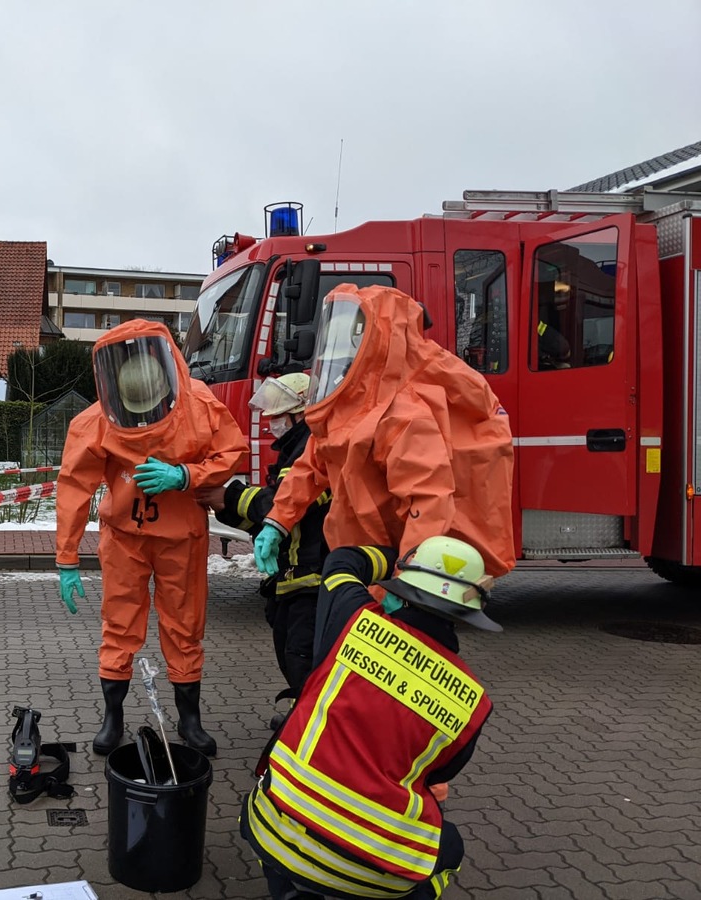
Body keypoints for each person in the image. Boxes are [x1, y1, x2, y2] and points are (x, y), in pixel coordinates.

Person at [242, 535, 500, 899]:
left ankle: (289, 887)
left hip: (271, 831)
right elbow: (439, 775)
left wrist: (397, 549)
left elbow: (343, 562)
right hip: (371, 874)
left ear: (403, 589)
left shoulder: (353, 619)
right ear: (468, 613)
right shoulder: (473, 701)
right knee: (450, 848)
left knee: (284, 849)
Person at [55, 319, 248, 758]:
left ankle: (190, 720)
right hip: (125, 537)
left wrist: (185, 475)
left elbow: (233, 452)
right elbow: (73, 488)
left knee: (184, 627)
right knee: (119, 625)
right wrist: (66, 560)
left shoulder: (199, 405)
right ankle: (113, 717)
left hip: (181, 538)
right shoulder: (97, 422)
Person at [253, 284, 516, 583]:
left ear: (373, 342)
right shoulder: (347, 407)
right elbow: (312, 465)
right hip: (358, 561)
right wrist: (278, 520)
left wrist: (409, 579)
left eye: (347, 348)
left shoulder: (403, 414)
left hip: (396, 564)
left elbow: (428, 502)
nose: (337, 361)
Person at [197, 372, 330, 726]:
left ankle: (312, 731)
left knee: (302, 655)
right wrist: (226, 507)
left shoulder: (312, 449)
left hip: (316, 575)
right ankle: (302, 716)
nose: (272, 423)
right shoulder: (293, 450)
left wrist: (229, 495)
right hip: (294, 576)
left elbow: (284, 503)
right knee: (290, 650)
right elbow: (268, 521)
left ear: (302, 412)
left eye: (279, 415)